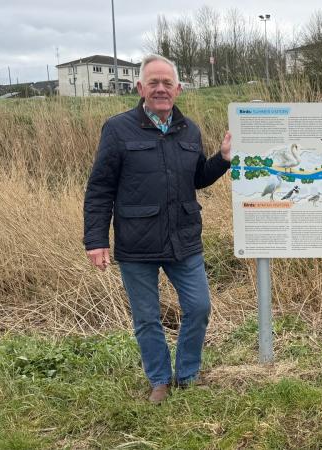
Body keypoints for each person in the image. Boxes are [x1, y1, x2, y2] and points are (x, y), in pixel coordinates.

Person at [83, 54, 232, 404]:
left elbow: (196, 178)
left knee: (199, 307)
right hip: (137, 242)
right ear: (140, 88)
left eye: (168, 83)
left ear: (178, 89)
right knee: (147, 318)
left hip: (184, 239)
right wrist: (96, 239)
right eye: (154, 83)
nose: (161, 89)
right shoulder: (118, 129)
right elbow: (100, 187)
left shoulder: (189, 129)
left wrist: (222, 159)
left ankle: (188, 374)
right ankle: (159, 381)